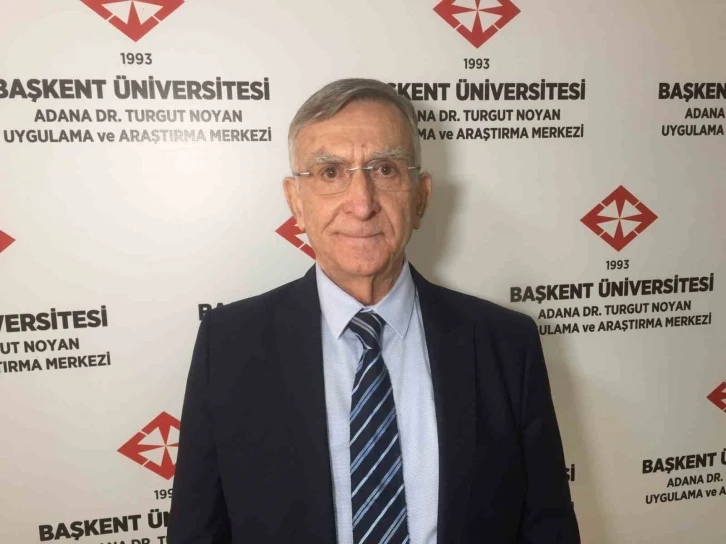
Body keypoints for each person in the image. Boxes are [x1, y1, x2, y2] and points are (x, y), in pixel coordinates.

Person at [168, 78, 580, 544]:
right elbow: (196, 532)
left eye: (385, 169)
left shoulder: (506, 344)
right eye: (329, 173)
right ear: (295, 202)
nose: (362, 204)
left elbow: (547, 527)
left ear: (420, 196)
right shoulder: (228, 345)